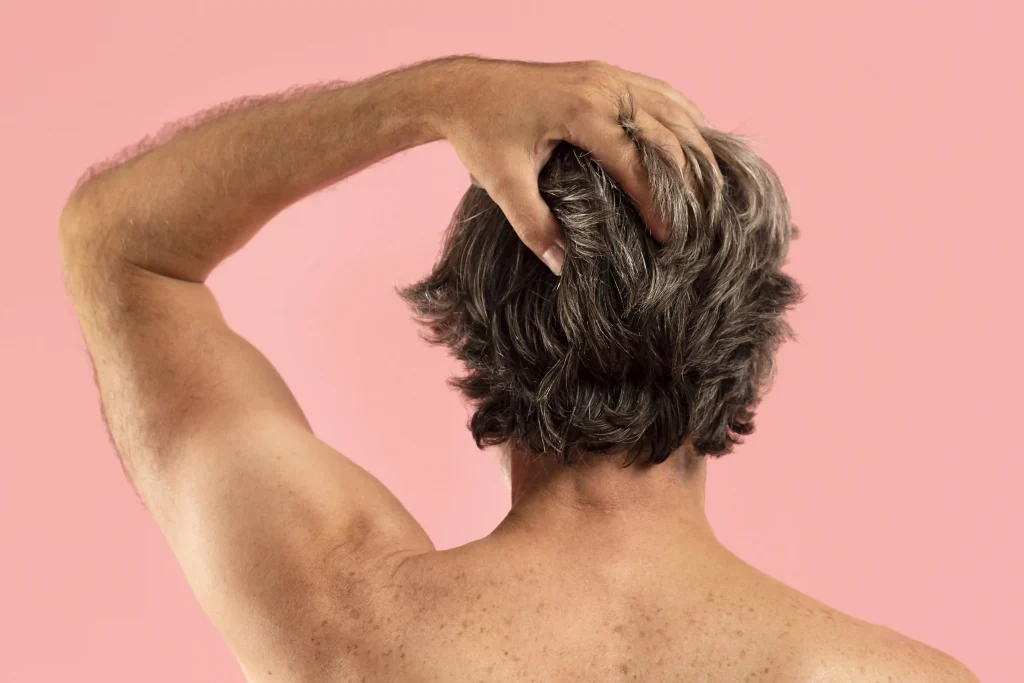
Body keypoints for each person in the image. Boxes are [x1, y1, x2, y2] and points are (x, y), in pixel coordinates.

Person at [59, 56, 977, 682]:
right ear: (747, 339)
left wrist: (442, 94)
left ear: (477, 325)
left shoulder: (353, 622)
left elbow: (118, 245)